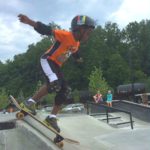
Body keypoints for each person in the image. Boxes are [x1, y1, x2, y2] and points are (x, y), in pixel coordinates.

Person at [18, 14, 95, 134]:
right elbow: (47, 30)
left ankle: (51, 118)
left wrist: (78, 58)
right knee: (54, 83)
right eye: (88, 33)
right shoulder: (65, 35)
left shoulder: (77, 44)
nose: (88, 36)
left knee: (65, 90)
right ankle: (29, 103)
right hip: (47, 60)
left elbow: (74, 51)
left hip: (56, 66)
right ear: (79, 29)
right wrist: (29, 21)